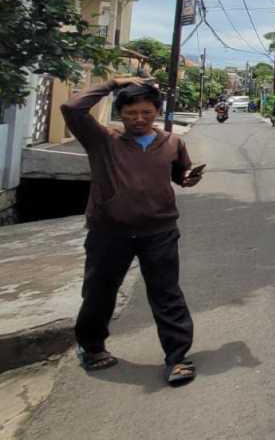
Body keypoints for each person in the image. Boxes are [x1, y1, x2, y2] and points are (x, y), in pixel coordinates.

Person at [61, 77, 202, 385]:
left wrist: (187, 178)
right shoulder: (102, 139)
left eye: (146, 113)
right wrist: (113, 83)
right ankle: (92, 347)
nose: (139, 119)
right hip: (109, 232)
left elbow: (179, 173)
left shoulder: (172, 143)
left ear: (157, 112)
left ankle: (177, 358)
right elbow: (72, 108)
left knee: (167, 294)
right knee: (99, 292)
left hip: (160, 230)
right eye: (131, 113)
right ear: (120, 114)